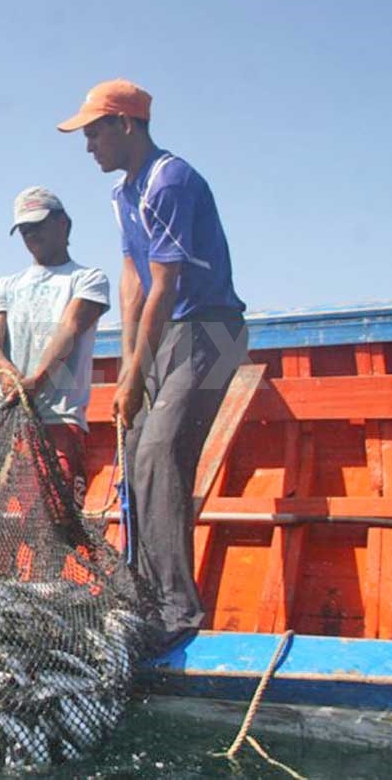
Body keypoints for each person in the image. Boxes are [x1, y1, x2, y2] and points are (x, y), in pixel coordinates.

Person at [58, 79, 247, 649]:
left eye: (95, 132)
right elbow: (134, 279)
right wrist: (129, 362)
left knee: (162, 450)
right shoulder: (122, 195)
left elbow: (166, 283)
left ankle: (176, 611)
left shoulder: (171, 181)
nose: (89, 145)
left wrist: (138, 373)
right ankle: (140, 592)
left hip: (210, 331)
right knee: (136, 450)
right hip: (164, 336)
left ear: (127, 125)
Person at [0, 187, 109, 496]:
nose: (30, 234)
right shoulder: (4, 286)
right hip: (3, 414)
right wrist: (10, 377)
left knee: (54, 515)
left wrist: (35, 381)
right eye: (24, 228)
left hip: (57, 419)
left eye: (37, 224)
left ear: (63, 223)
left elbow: (69, 329)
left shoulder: (88, 279)